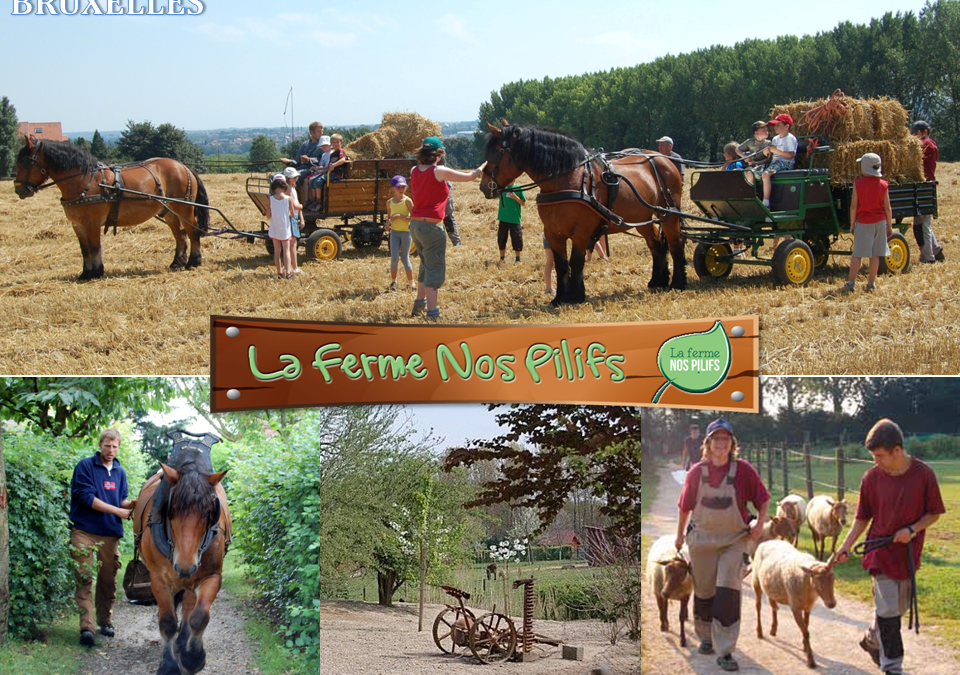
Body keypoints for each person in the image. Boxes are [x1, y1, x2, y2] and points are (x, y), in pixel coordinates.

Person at [834, 418, 945, 675]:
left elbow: (934, 513)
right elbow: (862, 517)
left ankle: (873, 638)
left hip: (907, 554)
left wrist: (911, 530)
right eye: (873, 456)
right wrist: (845, 546)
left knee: (896, 609)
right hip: (879, 553)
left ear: (897, 450)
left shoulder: (924, 474)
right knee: (888, 612)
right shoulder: (871, 478)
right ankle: (892, 666)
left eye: (880, 455)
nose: (876, 461)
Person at [676, 418, 769, 672]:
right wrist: (679, 536)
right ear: (707, 443)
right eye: (716, 439)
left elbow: (763, 499)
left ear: (732, 443)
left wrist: (760, 524)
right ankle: (706, 637)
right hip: (702, 541)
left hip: (734, 540)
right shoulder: (696, 472)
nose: (721, 443)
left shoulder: (744, 470)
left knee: (727, 591)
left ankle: (725, 650)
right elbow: (684, 507)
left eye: (725, 439)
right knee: (705, 591)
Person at [69, 428, 135, 647]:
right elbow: (88, 498)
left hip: (109, 533)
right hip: (84, 531)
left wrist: (133, 504)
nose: (111, 450)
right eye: (107, 445)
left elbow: (121, 501)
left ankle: (105, 622)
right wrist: (118, 511)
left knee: (107, 579)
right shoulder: (85, 466)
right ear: (100, 445)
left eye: (115, 446)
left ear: (119, 447)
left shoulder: (119, 472)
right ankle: (86, 628)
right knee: (84, 576)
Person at [408, 136, 486, 320]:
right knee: (434, 268)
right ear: (438, 154)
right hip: (431, 227)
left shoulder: (414, 170)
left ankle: (419, 303)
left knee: (425, 265)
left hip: (415, 225)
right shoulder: (438, 171)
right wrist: (482, 167)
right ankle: (432, 313)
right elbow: (470, 176)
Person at [842, 153, 893, 293]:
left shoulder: (858, 184)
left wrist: (852, 224)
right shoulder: (884, 184)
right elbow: (887, 207)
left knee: (857, 254)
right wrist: (889, 224)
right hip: (880, 222)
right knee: (875, 254)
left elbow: (853, 206)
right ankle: (871, 284)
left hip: (864, 222)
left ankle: (851, 283)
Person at [911, 121, 945, 263]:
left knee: (923, 222)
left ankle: (928, 256)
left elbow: (913, 146)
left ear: (925, 131)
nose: (914, 135)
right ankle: (937, 250)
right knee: (920, 222)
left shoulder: (928, 144)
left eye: (916, 132)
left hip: (926, 185)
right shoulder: (923, 143)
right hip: (921, 184)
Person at [760, 114, 797, 210]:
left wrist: (776, 151)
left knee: (765, 174)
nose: (775, 127)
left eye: (778, 125)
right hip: (774, 163)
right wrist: (766, 152)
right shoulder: (775, 139)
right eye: (775, 125)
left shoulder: (790, 138)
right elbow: (770, 154)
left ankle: (765, 203)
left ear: (787, 126)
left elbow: (790, 156)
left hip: (786, 163)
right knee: (752, 173)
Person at [385, 175, 415, 291]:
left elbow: (414, 217)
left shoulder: (407, 201)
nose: (401, 189)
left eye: (403, 187)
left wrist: (401, 217)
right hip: (395, 233)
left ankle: (411, 283)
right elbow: (389, 218)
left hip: (406, 232)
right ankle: (393, 282)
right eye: (399, 187)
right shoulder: (389, 203)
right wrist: (387, 225)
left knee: (405, 257)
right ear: (393, 189)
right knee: (394, 258)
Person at [266, 175, 296, 279]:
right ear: (284, 186)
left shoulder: (270, 199)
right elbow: (292, 214)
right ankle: (288, 272)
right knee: (286, 251)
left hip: (274, 227)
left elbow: (268, 215)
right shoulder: (288, 199)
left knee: (277, 251)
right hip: (285, 227)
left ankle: (279, 272)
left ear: (273, 187)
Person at [282, 167, 303, 274]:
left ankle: (290, 267)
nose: (296, 178)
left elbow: (296, 203)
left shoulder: (292, 188)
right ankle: (294, 268)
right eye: (293, 177)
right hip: (291, 216)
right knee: (293, 244)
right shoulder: (289, 190)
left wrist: (301, 218)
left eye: (296, 177)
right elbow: (294, 205)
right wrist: (301, 206)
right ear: (288, 178)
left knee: (291, 244)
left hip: (294, 216)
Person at [497, 183, 525, 263]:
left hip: (515, 219)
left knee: (517, 239)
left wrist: (515, 197)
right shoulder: (502, 188)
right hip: (503, 218)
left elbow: (523, 203)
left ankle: (518, 258)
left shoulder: (519, 188)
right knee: (501, 239)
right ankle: (502, 258)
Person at [304, 135, 332, 209]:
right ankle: (314, 199)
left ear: (330, 145)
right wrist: (316, 168)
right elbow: (321, 165)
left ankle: (319, 201)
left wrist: (319, 168)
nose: (323, 147)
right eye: (322, 146)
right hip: (322, 171)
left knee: (316, 181)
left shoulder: (331, 154)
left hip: (327, 172)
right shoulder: (324, 154)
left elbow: (329, 166)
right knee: (311, 180)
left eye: (325, 145)